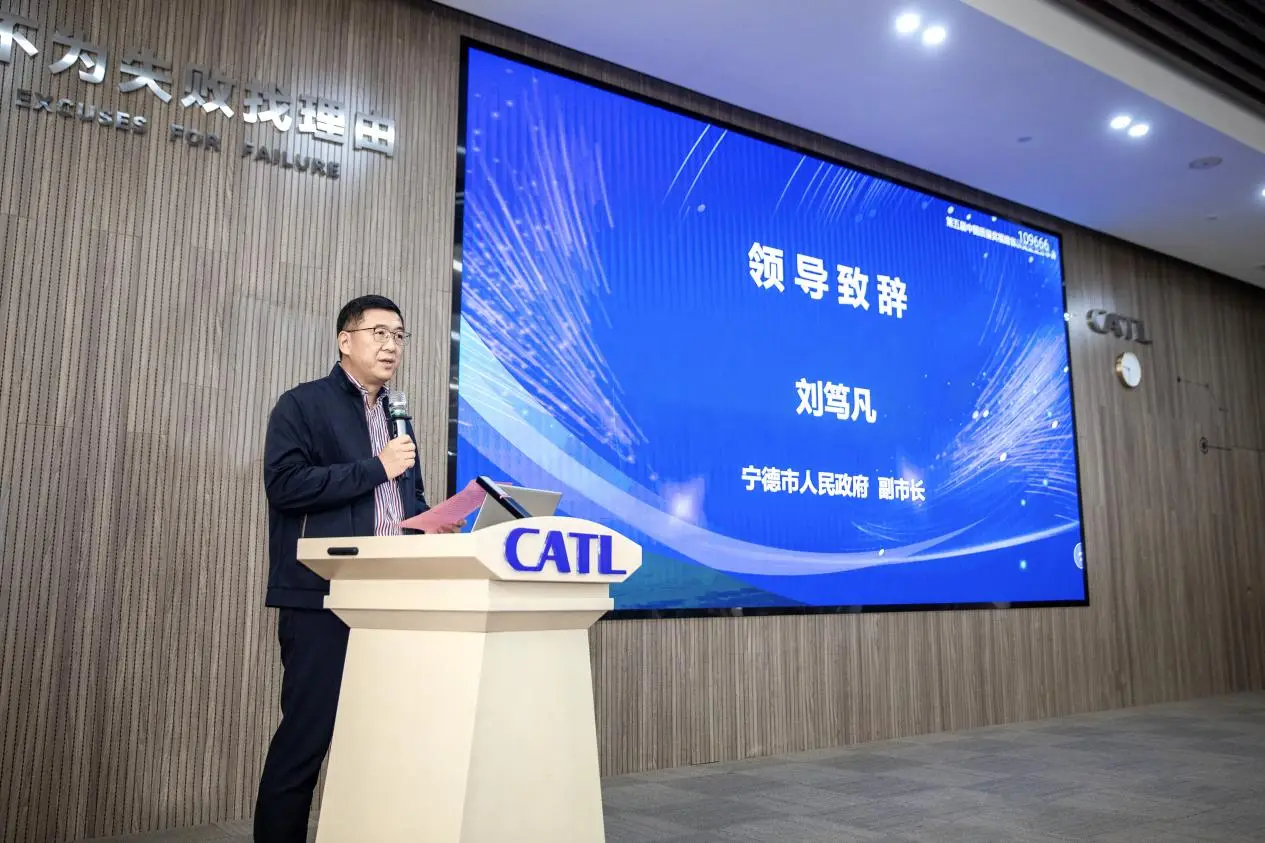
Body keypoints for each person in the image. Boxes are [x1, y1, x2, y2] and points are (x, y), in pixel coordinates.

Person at [253, 294, 460, 842]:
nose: (392, 346)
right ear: (345, 340)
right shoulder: (302, 404)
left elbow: (402, 502)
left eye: (399, 336)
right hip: (323, 598)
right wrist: (375, 467)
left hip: (390, 601)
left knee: (381, 739)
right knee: (306, 738)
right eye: (379, 333)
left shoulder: (397, 416)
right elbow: (284, 486)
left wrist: (428, 523)